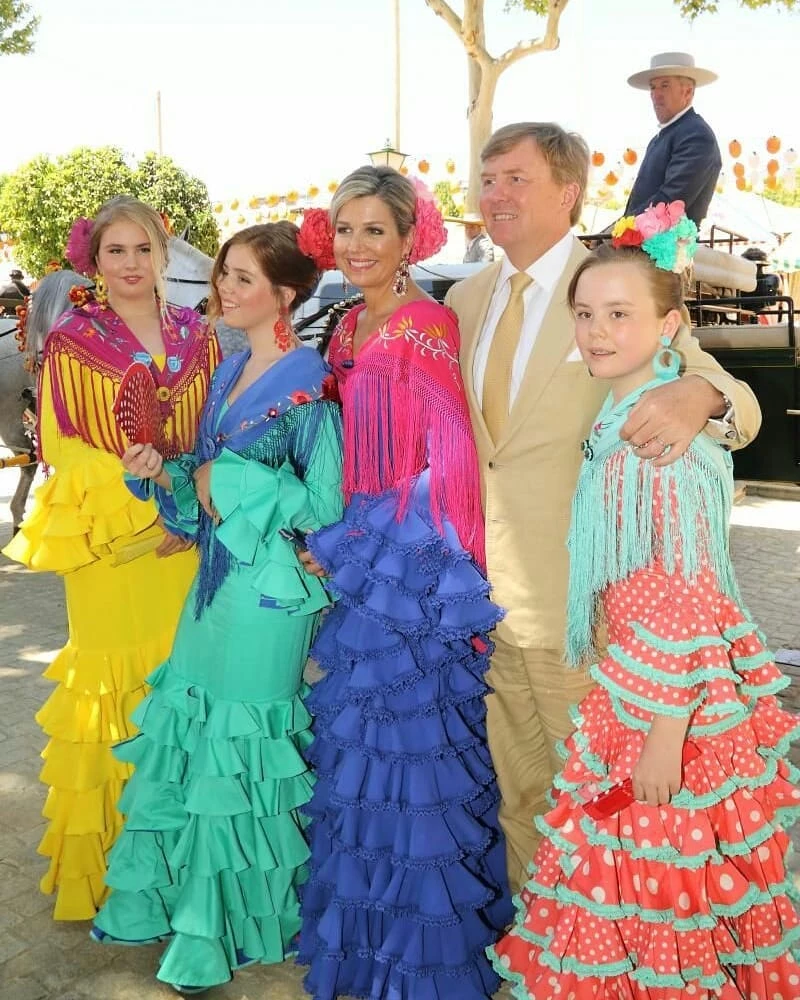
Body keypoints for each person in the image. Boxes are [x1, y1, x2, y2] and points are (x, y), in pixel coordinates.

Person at [488, 204, 800, 997]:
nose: (596, 331)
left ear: (670, 327)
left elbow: (688, 596)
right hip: (633, 689)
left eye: (619, 314)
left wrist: (665, 733)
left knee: (652, 893)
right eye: (585, 314)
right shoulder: (623, 408)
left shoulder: (657, 434)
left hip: (664, 711)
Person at [444, 121, 762, 896]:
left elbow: (742, 409)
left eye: (516, 179)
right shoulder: (462, 296)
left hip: (587, 626)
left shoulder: (614, 285)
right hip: (486, 612)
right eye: (488, 180)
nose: (496, 195)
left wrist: (701, 394)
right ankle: (538, 951)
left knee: (603, 817)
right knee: (519, 805)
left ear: (568, 192)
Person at [89, 222, 344, 994]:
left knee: (245, 744)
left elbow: (329, 504)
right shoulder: (232, 369)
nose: (222, 291)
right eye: (222, 276)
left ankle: (235, 922)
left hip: (269, 594)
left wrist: (228, 483)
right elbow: (202, 487)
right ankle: (182, 908)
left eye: (241, 279)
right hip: (213, 584)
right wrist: (163, 471)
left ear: (285, 295)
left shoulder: (310, 381)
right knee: (197, 734)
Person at [295, 167, 511, 1000]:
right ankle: (371, 943)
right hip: (360, 567)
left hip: (408, 572)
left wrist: (360, 544)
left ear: (410, 238)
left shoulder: (423, 324)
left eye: (374, 231)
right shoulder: (348, 324)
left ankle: (423, 963)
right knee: (361, 755)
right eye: (344, 230)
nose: (355, 246)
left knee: (415, 759)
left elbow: (444, 460)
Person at [3, 196, 219, 920]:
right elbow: (64, 451)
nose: (130, 264)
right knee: (112, 703)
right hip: (109, 547)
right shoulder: (72, 339)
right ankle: (115, 882)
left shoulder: (198, 334)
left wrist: (188, 515)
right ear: (93, 263)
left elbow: (211, 439)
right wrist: (146, 511)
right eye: (115, 252)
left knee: (179, 695)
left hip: (181, 549)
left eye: (143, 249)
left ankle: (181, 875)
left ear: (163, 254)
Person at [625, 51, 722, 227]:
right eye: (653, 87)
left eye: (665, 85)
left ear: (688, 92)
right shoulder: (662, 137)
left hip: (667, 251)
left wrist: (611, 236)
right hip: (642, 246)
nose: (656, 94)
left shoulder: (696, 136)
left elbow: (667, 203)